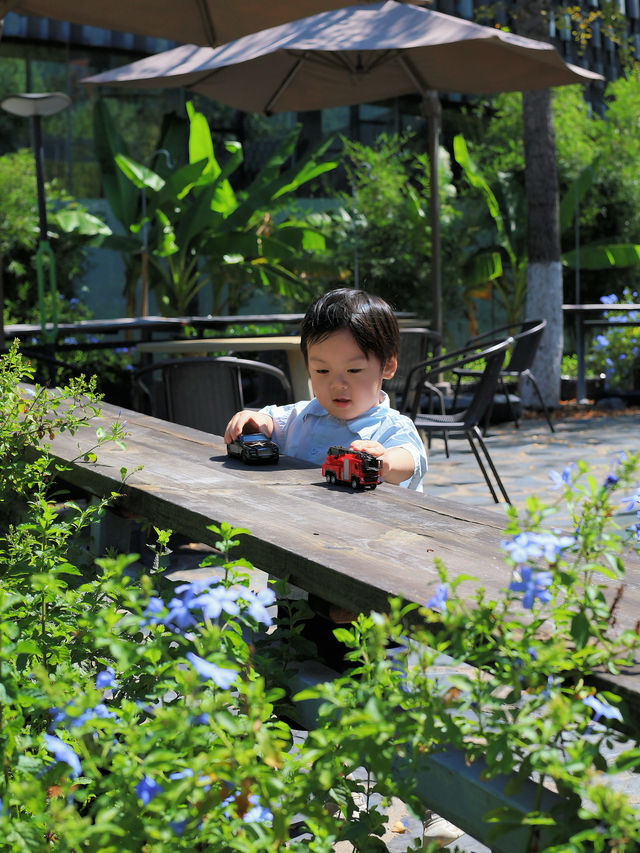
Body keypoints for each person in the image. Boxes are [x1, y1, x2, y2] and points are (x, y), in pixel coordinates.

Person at [224, 288, 427, 490]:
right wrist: (254, 420)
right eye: (322, 370)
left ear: (388, 365)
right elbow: (269, 419)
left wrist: (384, 461)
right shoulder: (302, 417)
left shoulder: (392, 427)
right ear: (308, 367)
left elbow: (410, 458)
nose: (337, 384)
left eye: (353, 370)